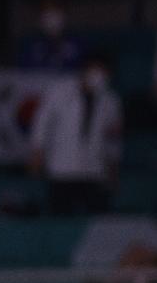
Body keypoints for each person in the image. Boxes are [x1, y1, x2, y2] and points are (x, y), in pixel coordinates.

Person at [29, 54, 122, 217]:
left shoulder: (111, 101)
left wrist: (113, 165)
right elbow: (42, 121)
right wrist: (38, 150)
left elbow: (113, 137)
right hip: (62, 169)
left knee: (97, 218)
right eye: (96, 70)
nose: (99, 76)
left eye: (104, 72)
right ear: (86, 70)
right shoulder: (60, 91)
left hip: (94, 171)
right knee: (60, 219)